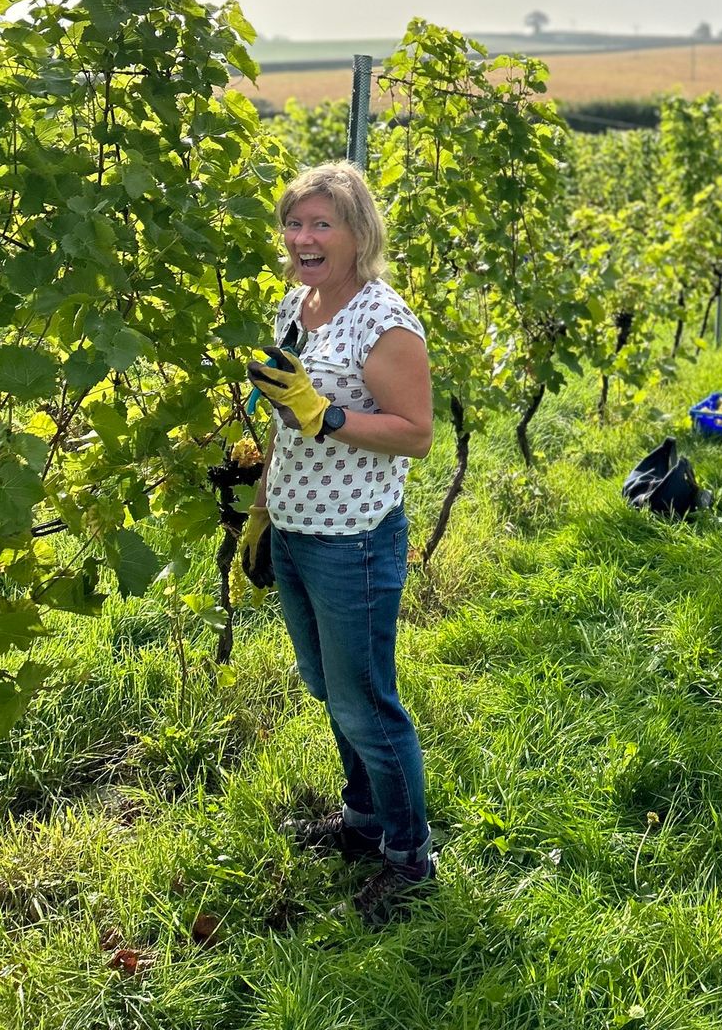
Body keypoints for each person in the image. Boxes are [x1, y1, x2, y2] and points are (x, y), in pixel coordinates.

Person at [238, 162, 436, 925]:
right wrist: (263, 494)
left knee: (368, 706)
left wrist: (326, 415)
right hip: (293, 526)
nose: (303, 237)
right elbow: (287, 405)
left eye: (322, 224)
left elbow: (415, 435)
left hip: (352, 539)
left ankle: (410, 857)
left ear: (358, 235)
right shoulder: (300, 300)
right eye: (295, 222)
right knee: (328, 688)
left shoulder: (384, 322)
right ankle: (363, 823)